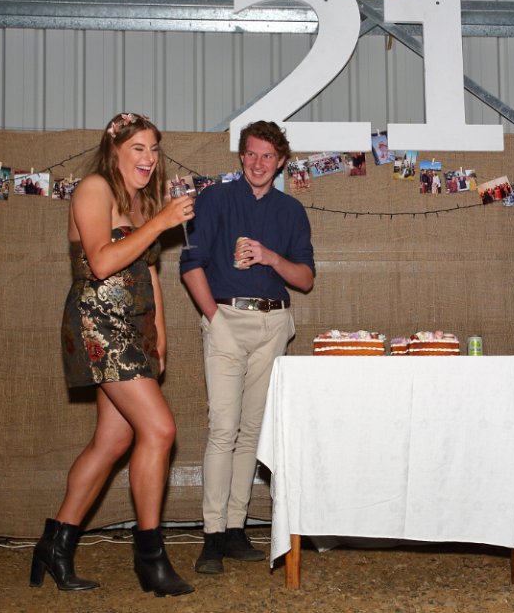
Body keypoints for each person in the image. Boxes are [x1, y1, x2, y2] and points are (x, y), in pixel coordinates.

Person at [31, 113, 195, 596]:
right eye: (138, 148)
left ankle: (55, 545)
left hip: (134, 325)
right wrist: (162, 221)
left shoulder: (140, 201)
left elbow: (148, 268)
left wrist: (160, 332)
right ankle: (150, 557)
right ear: (115, 150)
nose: (149, 158)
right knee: (160, 430)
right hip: (99, 324)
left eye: (154, 149)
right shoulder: (93, 189)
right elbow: (101, 262)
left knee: (112, 441)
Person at [180, 120, 315, 574]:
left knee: (252, 431)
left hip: (273, 323)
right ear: (241, 157)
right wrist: (214, 320)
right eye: (252, 154)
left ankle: (236, 527)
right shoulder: (214, 199)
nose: (258, 163)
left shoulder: (291, 211)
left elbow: (305, 279)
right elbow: (190, 265)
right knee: (223, 427)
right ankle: (212, 533)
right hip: (225, 318)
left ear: (281, 162)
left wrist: (271, 257)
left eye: (267, 156)